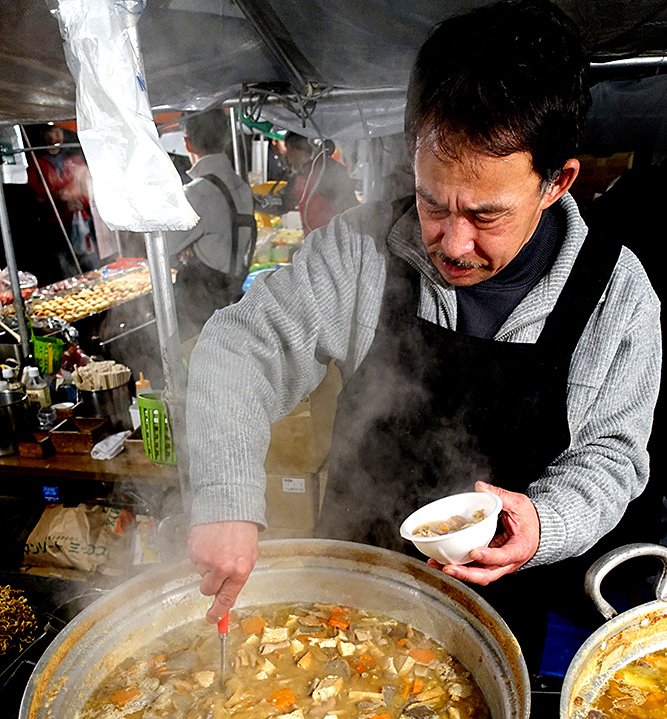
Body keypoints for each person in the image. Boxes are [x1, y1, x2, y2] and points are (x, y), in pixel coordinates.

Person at [186, 0, 661, 671]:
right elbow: (240, 349)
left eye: (485, 214)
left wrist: (544, 522)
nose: (451, 241)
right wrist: (228, 499)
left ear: (557, 181)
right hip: (349, 584)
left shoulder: (615, 292)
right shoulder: (361, 248)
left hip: (495, 607)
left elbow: (612, 457)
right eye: (433, 201)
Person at [168, 108, 257, 344]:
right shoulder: (243, 188)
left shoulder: (196, 194)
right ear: (225, 140)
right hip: (234, 295)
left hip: (199, 310)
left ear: (187, 144)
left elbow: (161, 248)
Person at [26, 124, 98, 281]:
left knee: (90, 261)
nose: (57, 135)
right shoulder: (36, 161)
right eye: (52, 131)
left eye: (59, 131)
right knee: (64, 265)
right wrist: (58, 196)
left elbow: (86, 185)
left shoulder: (75, 158)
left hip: (81, 218)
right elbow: (35, 191)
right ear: (43, 133)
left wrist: (80, 202)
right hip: (55, 223)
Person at [276, 132, 358, 233]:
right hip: (312, 240)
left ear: (301, 150)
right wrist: (259, 202)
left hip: (335, 239)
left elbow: (350, 208)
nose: (286, 154)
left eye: (289, 149)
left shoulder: (328, 170)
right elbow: (285, 202)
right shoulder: (299, 173)